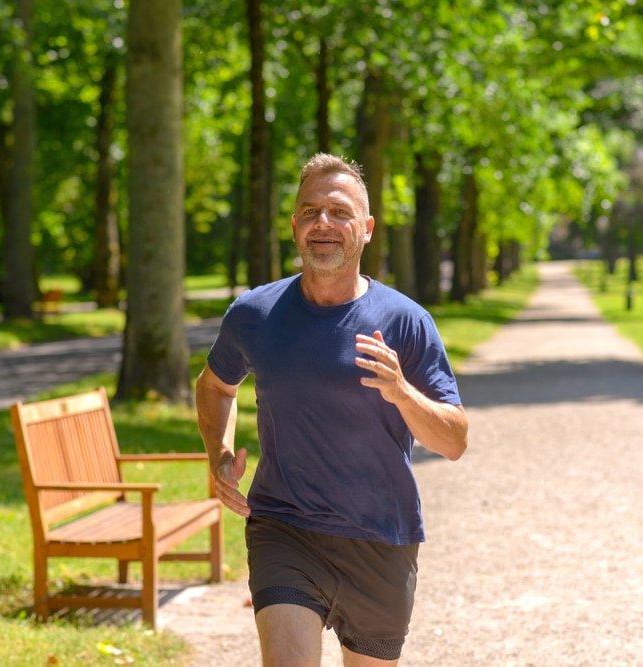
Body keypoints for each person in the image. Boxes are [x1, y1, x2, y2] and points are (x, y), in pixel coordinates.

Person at [196, 153, 469, 666]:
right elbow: (214, 387)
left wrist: (401, 391)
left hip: (381, 537)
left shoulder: (406, 322)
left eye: (340, 212)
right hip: (284, 528)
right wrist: (220, 453)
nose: (324, 223)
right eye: (310, 210)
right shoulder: (254, 314)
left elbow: (454, 441)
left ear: (366, 230)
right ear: (294, 225)